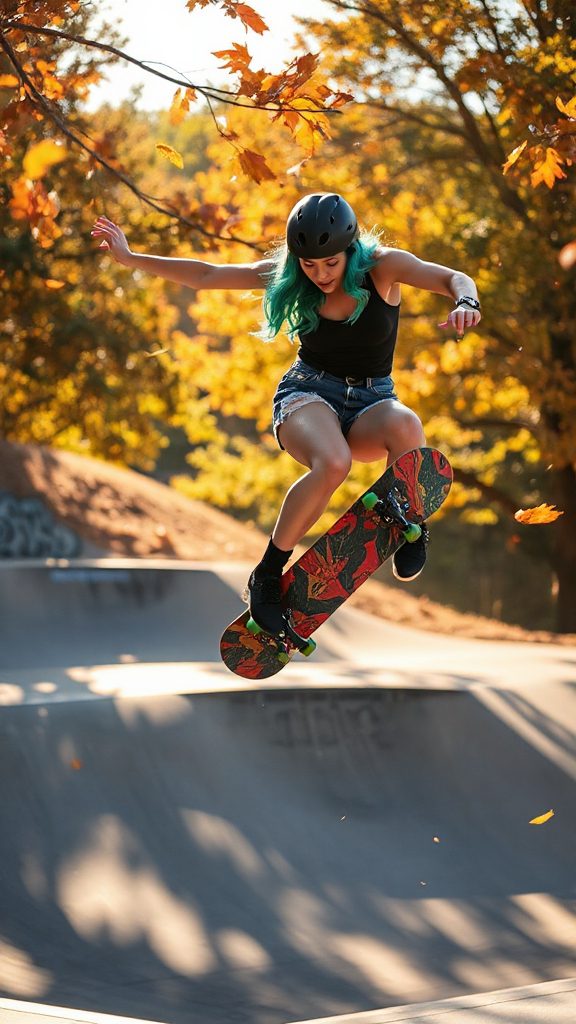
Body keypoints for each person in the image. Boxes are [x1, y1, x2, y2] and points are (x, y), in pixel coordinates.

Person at [92, 193, 481, 635]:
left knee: (407, 424)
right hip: (307, 394)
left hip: (372, 401)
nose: (320, 275)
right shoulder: (291, 273)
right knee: (334, 462)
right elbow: (206, 275)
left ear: (350, 250)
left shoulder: (383, 266)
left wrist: (466, 302)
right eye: (310, 266)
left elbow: (455, 277)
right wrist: (130, 257)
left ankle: (409, 522)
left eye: (330, 264)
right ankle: (267, 575)